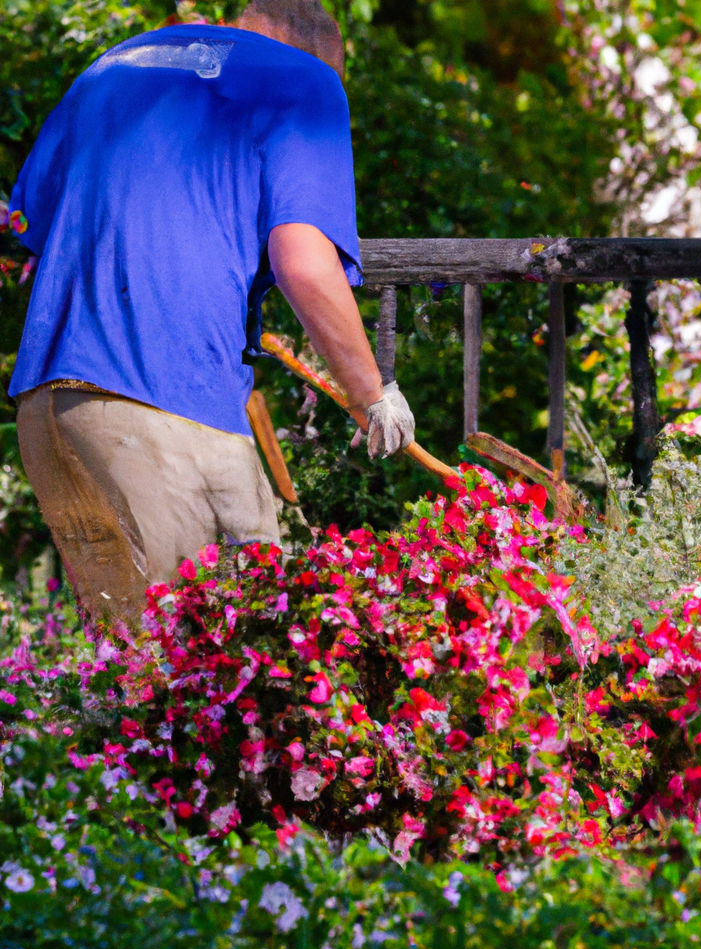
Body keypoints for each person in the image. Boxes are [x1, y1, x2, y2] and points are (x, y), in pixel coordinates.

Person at [5, 0, 414, 622]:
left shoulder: (115, 64)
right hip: (162, 400)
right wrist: (372, 394)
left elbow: (34, 220)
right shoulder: (304, 81)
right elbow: (303, 262)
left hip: (49, 409)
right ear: (322, 55)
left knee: (133, 673)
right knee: (245, 653)